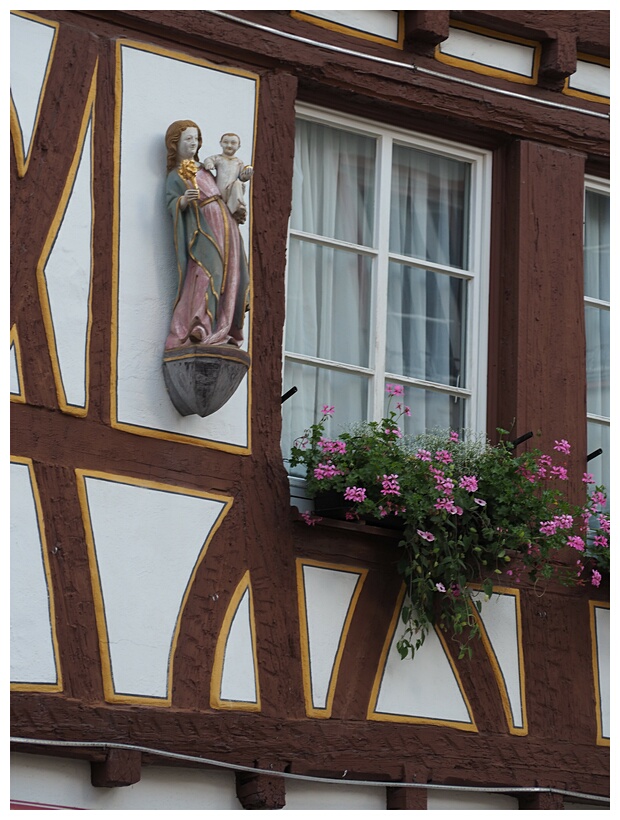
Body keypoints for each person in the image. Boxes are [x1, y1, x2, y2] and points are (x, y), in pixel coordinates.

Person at [164, 120, 249, 350]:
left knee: (231, 275)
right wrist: (183, 200)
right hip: (202, 227)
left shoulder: (205, 169)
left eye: (196, 139)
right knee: (205, 271)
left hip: (225, 224)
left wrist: (239, 187)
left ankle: (223, 328)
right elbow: (171, 201)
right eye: (188, 139)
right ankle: (199, 325)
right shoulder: (176, 175)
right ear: (175, 144)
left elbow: (226, 187)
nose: (193, 143)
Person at [203, 133, 253, 224]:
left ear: (238, 146)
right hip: (219, 190)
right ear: (221, 143)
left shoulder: (238, 162)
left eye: (233, 143)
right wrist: (209, 164)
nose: (229, 145)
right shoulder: (218, 158)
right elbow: (208, 160)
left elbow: (242, 177)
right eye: (226, 142)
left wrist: (247, 175)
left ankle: (239, 207)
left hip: (232, 192)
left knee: (238, 184)